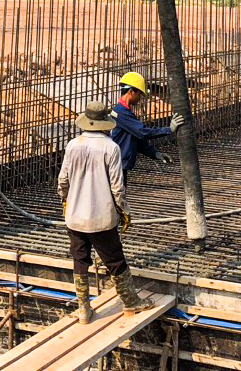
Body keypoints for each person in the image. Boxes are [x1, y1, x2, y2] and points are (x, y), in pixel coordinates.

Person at [58, 100, 151, 321]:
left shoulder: (73, 145)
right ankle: (130, 301)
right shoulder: (111, 147)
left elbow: (63, 180)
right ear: (104, 123)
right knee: (114, 260)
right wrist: (124, 210)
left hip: (75, 218)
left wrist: (65, 200)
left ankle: (83, 309)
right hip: (100, 218)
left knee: (80, 260)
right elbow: (118, 187)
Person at [110, 72, 186, 183]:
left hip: (120, 164)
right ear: (131, 92)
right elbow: (142, 132)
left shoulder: (124, 111)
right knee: (116, 198)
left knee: (119, 197)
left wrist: (155, 154)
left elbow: (136, 139)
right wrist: (169, 129)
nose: (140, 98)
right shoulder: (121, 112)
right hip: (117, 165)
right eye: (139, 94)